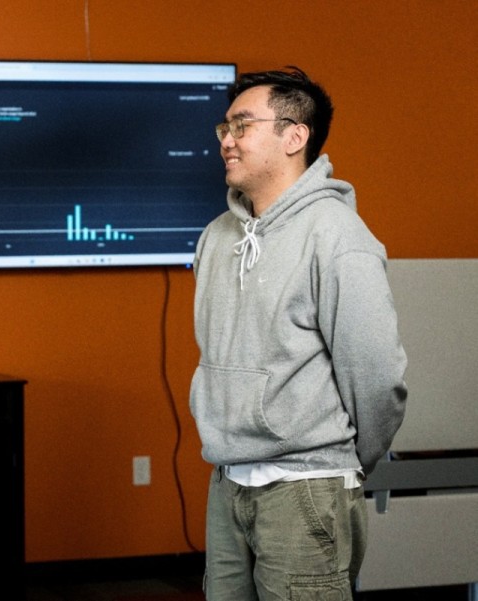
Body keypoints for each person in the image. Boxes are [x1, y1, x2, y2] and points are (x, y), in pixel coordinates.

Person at [189, 67, 408, 600]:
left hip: (308, 487)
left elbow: (377, 379)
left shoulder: (337, 237)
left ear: (295, 136)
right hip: (228, 481)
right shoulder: (216, 237)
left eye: (243, 125)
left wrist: (342, 467)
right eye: (225, 126)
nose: (226, 140)